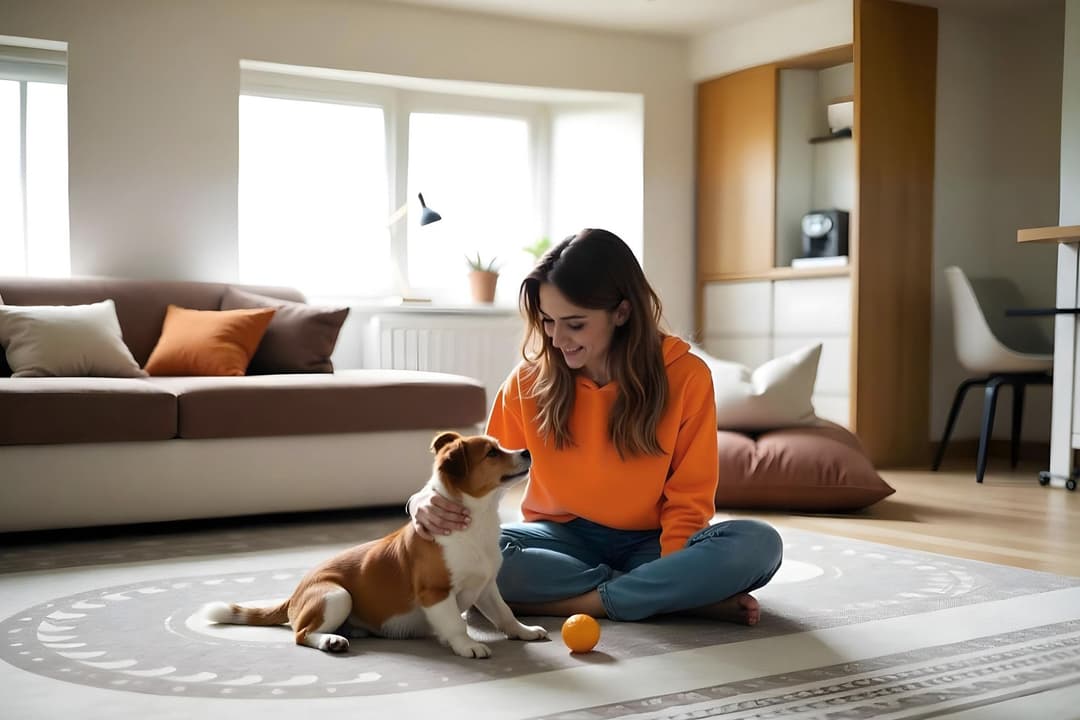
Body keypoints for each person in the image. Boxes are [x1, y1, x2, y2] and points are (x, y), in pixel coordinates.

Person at [407, 228, 782, 624]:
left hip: (653, 541)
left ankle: (583, 602)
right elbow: (479, 468)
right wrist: (422, 502)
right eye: (548, 321)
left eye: (575, 324)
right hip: (560, 539)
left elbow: (689, 498)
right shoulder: (528, 382)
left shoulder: (687, 376)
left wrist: (674, 563)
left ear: (622, 312)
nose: (556, 338)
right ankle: (666, 598)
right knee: (479, 552)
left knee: (758, 544)